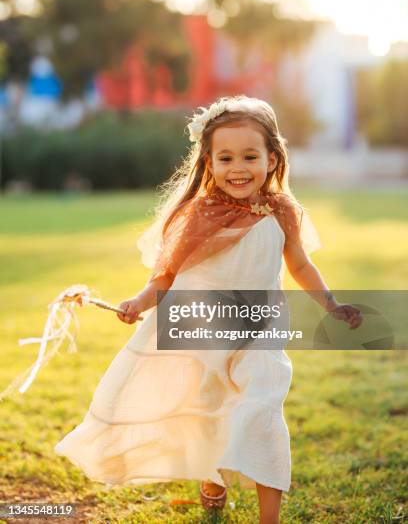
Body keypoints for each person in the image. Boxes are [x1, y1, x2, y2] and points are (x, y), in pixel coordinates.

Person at [55, 96, 362, 523]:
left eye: (250, 156)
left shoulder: (284, 211)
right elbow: (165, 274)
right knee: (212, 411)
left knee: (263, 412)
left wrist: (331, 304)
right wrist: (141, 303)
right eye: (226, 157)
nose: (239, 167)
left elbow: (301, 265)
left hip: (261, 331)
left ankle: (268, 517)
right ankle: (212, 477)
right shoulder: (199, 214)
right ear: (210, 162)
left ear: (272, 159)